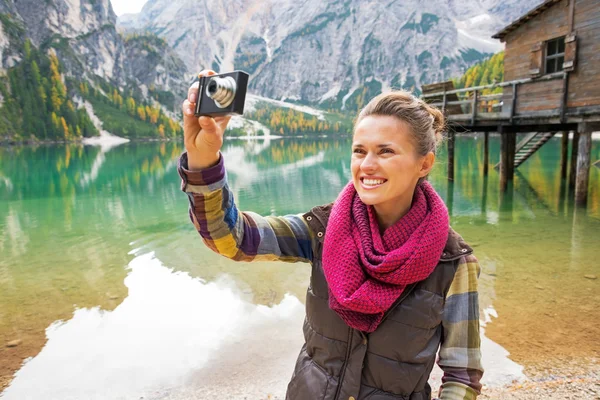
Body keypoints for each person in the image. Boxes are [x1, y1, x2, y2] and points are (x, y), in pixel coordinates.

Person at [178, 70, 484, 400]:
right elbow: (232, 238)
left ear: (424, 164)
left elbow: (461, 375)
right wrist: (203, 157)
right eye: (359, 150)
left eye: (385, 151)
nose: (367, 165)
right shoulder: (322, 229)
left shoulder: (453, 263)